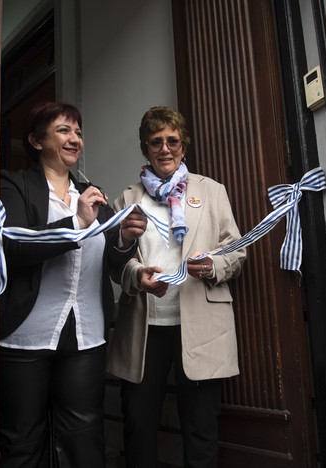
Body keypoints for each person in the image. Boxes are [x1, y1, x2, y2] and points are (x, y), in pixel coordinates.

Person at [0, 101, 147, 467]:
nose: (74, 138)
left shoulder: (93, 193)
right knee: (23, 440)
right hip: (26, 334)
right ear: (35, 140)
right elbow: (14, 245)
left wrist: (125, 239)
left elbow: (111, 257)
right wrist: (76, 222)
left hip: (86, 335)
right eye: (64, 130)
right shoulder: (14, 184)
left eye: (78, 132)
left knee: (83, 434)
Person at [107, 106, 247, 467]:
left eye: (173, 141)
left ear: (184, 146)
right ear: (145, 148)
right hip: (145, 326)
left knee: (201, 427)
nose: (165, 148)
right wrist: (137, 275)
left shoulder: (211, 191)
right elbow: (114, 261)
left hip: (199, 326)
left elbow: (237, 251)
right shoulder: (127, 199)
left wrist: (212, 265)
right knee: (138, 423)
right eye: (156, 142)